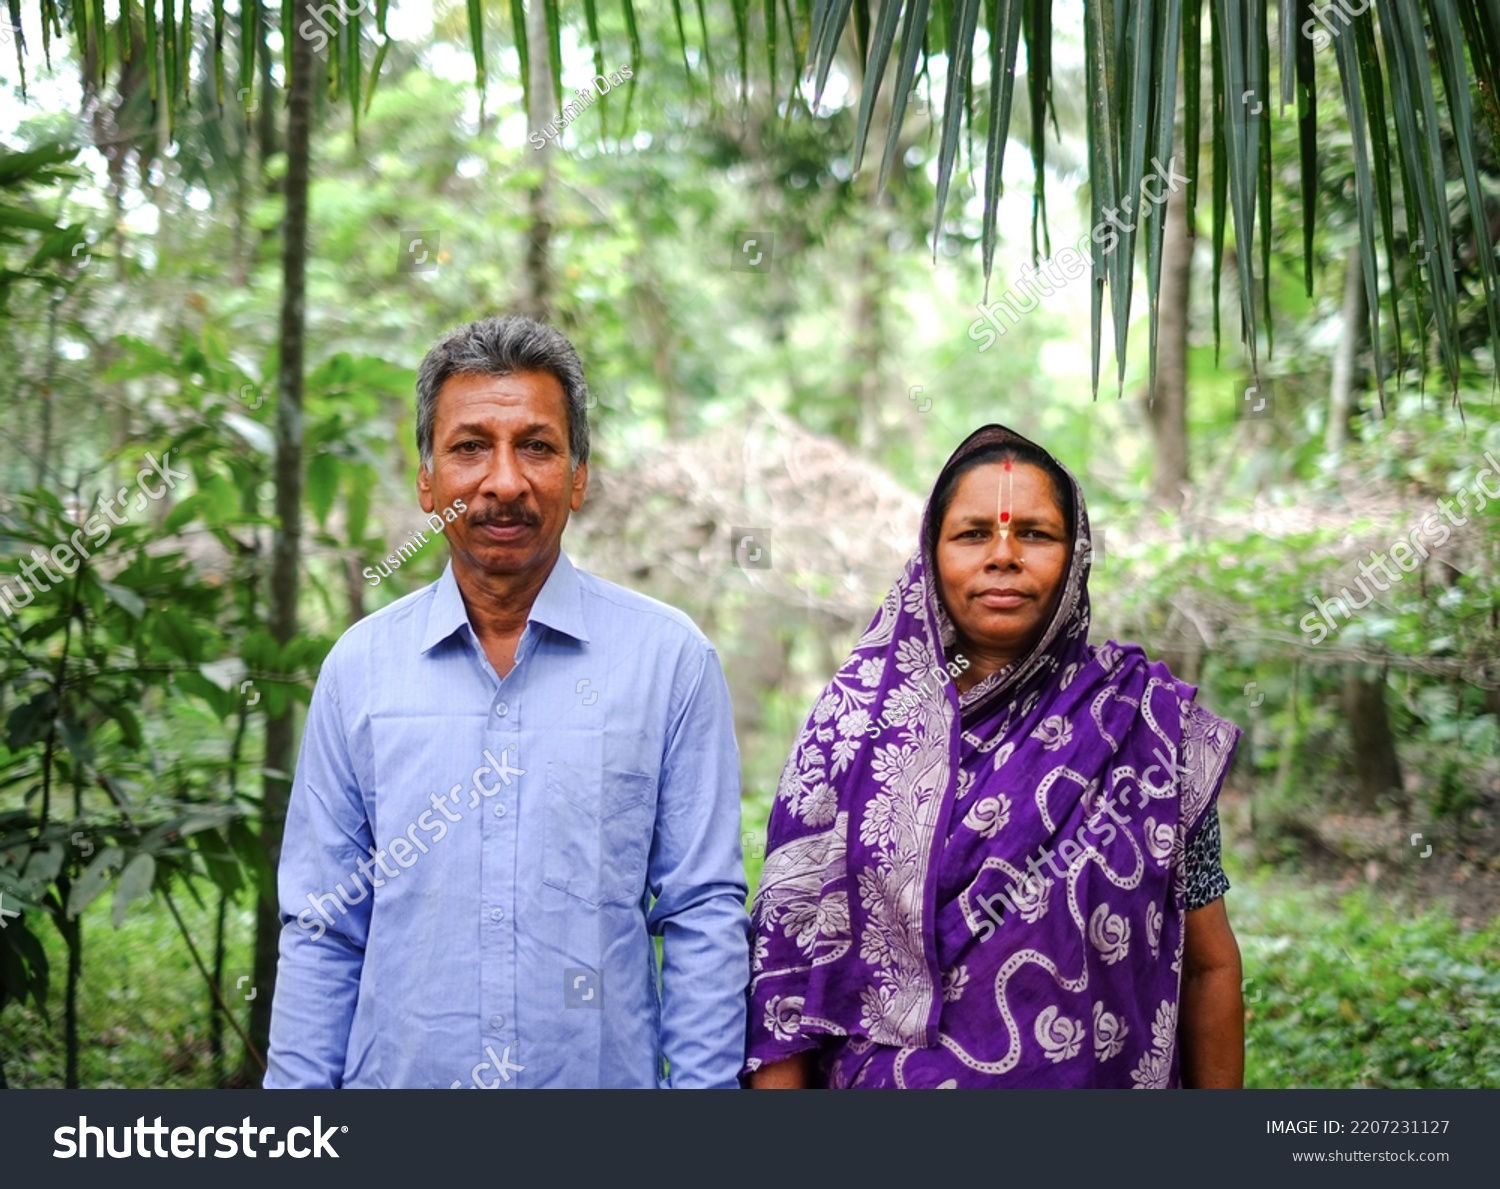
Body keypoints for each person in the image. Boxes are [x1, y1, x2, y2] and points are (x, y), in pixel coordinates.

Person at [266, 315, 749, 1089]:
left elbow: (702, 914)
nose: (503, 481)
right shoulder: (360, 669)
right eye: (469, 447)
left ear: (578, 476)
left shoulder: (670, 662)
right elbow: (322, 931)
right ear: (428, 481)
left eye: (537, 445)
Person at [744, 424, 1243, 1088]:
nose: (1003, 554)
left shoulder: (1144, 724)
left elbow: (1211, 965)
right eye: (974, 533)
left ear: (1076, 554)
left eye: (1034, 533)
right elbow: (783, 985)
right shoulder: (850, 732)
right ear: (931, 553)